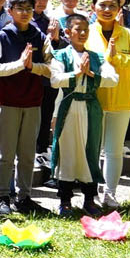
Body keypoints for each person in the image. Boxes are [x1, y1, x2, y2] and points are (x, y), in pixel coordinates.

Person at [0, 0, 51, 215]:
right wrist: (19, 65)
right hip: (8, 103)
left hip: (33, 102)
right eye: (19, 8)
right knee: (5, 154)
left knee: (27, 153)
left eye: (28, 9)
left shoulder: (40, 37)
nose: (24, 13)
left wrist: (32, 67)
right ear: (10, 11)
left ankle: (24, 197)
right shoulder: (1, 37)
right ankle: (3, 196)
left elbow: (52, 68)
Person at [47, 12, 114, 216]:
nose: (83, 33)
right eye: (78, 29)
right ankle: (65, 200)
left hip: (90, 107)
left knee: (89, 151)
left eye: (86, 29)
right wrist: (77, 74)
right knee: (67, 151)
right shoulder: (61, 55)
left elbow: (113, 79)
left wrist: (92, 74)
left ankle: (89, 199)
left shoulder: (96, 56)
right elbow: (55, 80)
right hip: (69, 107)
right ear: (68, 32)